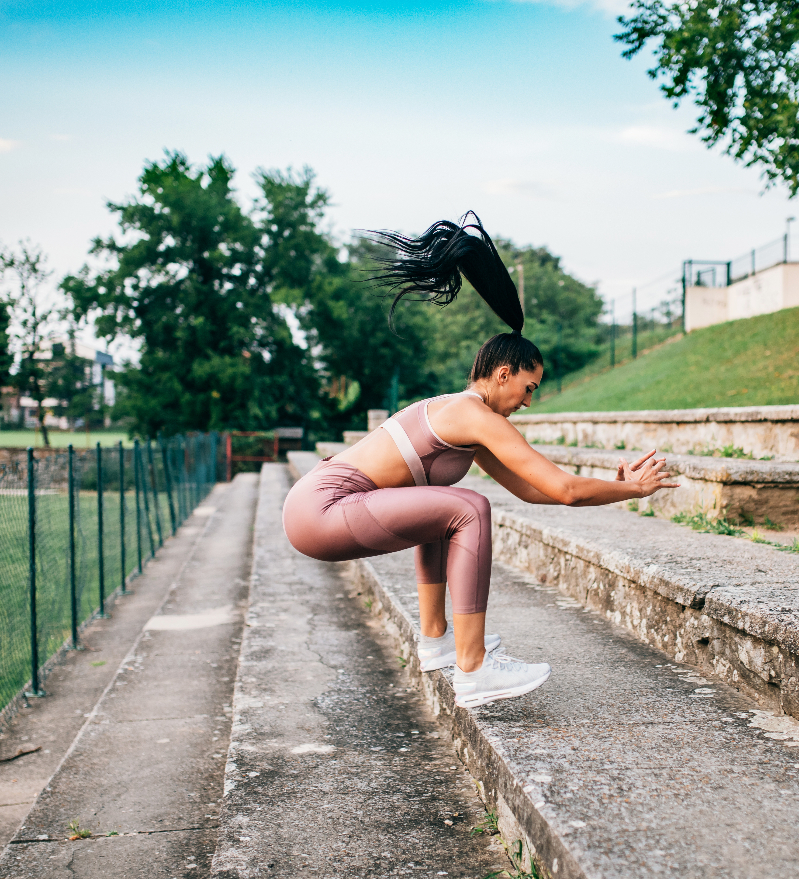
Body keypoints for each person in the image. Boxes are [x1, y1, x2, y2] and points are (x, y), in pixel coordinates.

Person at [283, 213, 678, 708]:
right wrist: (631, 489)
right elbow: (563, 488)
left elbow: (533, 489)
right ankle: (474, 670)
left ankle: (437, 642)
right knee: (466, 508)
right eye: (528, 388)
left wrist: (612, 485)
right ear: (503, 373)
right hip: (320, 509)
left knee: (444, 507)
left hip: (317, 508)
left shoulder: (466, 419)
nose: (529, 401)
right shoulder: (473, 415)